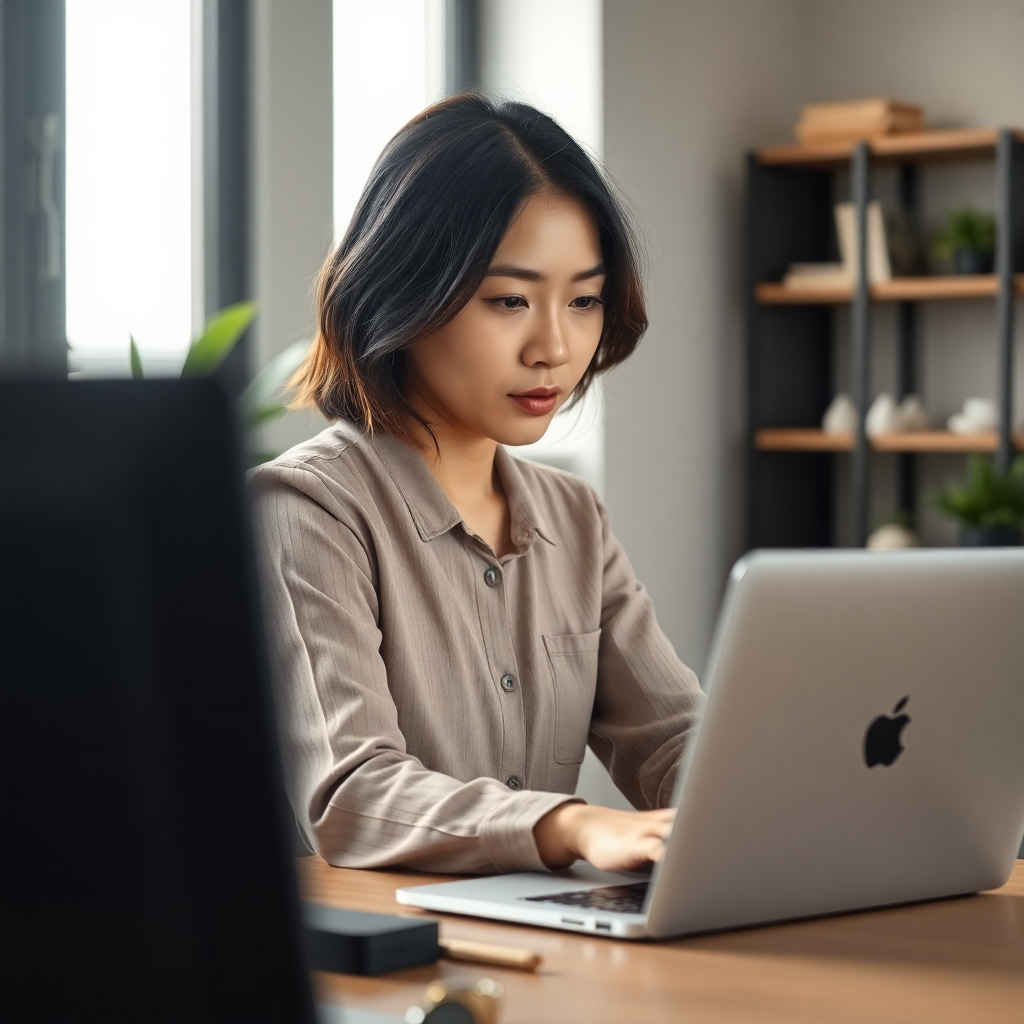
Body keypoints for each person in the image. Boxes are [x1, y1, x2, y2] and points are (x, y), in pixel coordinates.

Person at [252, 94, 705, 876]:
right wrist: (571, 827)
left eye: (585, 300)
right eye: (510, 301)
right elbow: (354, 795)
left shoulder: (574, 517)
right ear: (407, 291)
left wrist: (759, 802)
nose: (555, 348)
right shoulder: (307, 509)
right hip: (371, 959)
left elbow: (669, 738)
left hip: (534, 940)